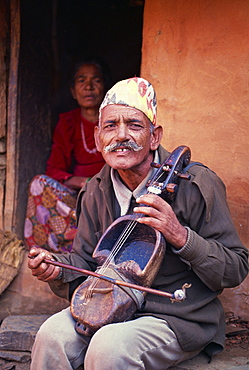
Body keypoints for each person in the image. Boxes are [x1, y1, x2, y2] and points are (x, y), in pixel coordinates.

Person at [28, 77, 248, 370]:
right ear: (97, 139)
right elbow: (83, 262)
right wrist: (56, 269)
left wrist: (180, 235)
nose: (120, 135)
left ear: (154, 136)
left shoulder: (196, 183)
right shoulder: (95, 189)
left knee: (110, 348)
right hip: (107, 305)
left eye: (133, 125)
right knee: (50, 336)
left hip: (176, 316)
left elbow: (235, 268)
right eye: (110, 126)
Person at [24, 58, 109, 253]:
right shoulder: (68, 122)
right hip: (77, 197)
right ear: (73, 91)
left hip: (108, 193)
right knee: (39, 183)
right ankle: (54, 251)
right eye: (81, 80)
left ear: (104, 88)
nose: (88, 86)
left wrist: (97, 184)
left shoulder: (113, 120)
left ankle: (89, 244)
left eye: (96, 80)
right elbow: (53, 169)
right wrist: (82, 183)